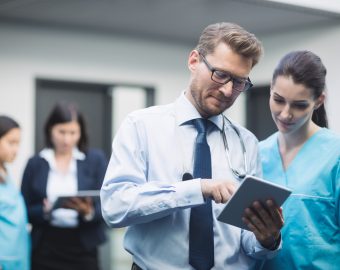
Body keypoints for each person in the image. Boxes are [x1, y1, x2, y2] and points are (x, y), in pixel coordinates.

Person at [101, 22, 284, 270]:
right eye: (220, 74)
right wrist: (197, 189)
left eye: (239, 82)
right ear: (194, 61)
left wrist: (267, 239)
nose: (228, 90)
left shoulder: (246, 142)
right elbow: (115, 207)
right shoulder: (142, 126)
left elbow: (247, 242)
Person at [259, 50, 340, 269]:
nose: (285, 114)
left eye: (299, 105)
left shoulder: (335, 155)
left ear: (319, 101)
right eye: (278, 100)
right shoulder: (256, 153)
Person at [21, 102, 107, 270]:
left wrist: (88, 212)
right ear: (50, 129)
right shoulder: (35, 163)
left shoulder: (95, 160)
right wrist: (45, 211)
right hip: (45, 246)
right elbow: (24, 209)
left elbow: (108, 205)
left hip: (84, 247)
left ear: (81, 132)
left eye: (73, 132)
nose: (67, 139)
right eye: (61, 132)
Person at [0, 115, 30, 270]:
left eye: (18, 143)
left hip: (18, 259)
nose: (16, 150)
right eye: (11, 143)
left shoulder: (6, 173)